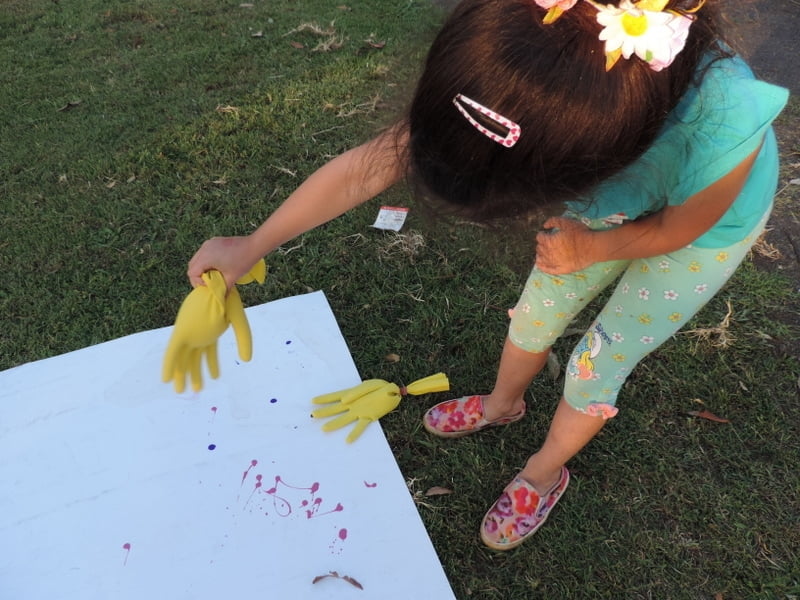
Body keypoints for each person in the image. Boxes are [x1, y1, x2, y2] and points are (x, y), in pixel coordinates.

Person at [187, 0, 788, 551]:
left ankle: (544, 471)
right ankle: (504, 403)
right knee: (535, 314)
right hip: (597, 212)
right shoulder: (501, 68)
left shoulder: (721, 117)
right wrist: (254, 243)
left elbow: (676, 230)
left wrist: (593, 248)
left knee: (598, 362)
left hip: (697, 235)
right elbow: (365, 168)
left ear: (571, 163)